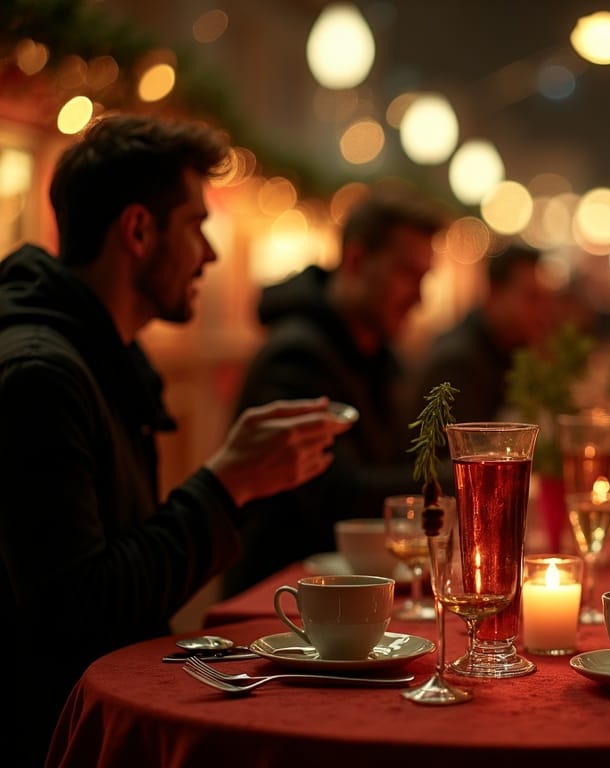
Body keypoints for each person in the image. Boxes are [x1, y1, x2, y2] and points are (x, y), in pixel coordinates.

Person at [0, 114, 350, 767]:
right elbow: (78, 612)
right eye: (196, 226)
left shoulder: (105, 361)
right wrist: (228, 484)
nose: (210, 254)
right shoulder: (40, 376)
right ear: (138, 231)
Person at [223, 190, 449, 597]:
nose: (419, 297)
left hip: (355, 592)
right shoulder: (296, 357)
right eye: (407, 274)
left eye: (424, 278)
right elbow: (340, 498)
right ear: (358, 261)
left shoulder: (379, 358)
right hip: (283, 607)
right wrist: (463, 481)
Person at [411, 243, 554, 423]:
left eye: (545, 299)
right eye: (532, 298)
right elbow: (462, 448)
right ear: (494, 294)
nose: (543, 312)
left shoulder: (509, 349)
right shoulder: (458, 364)